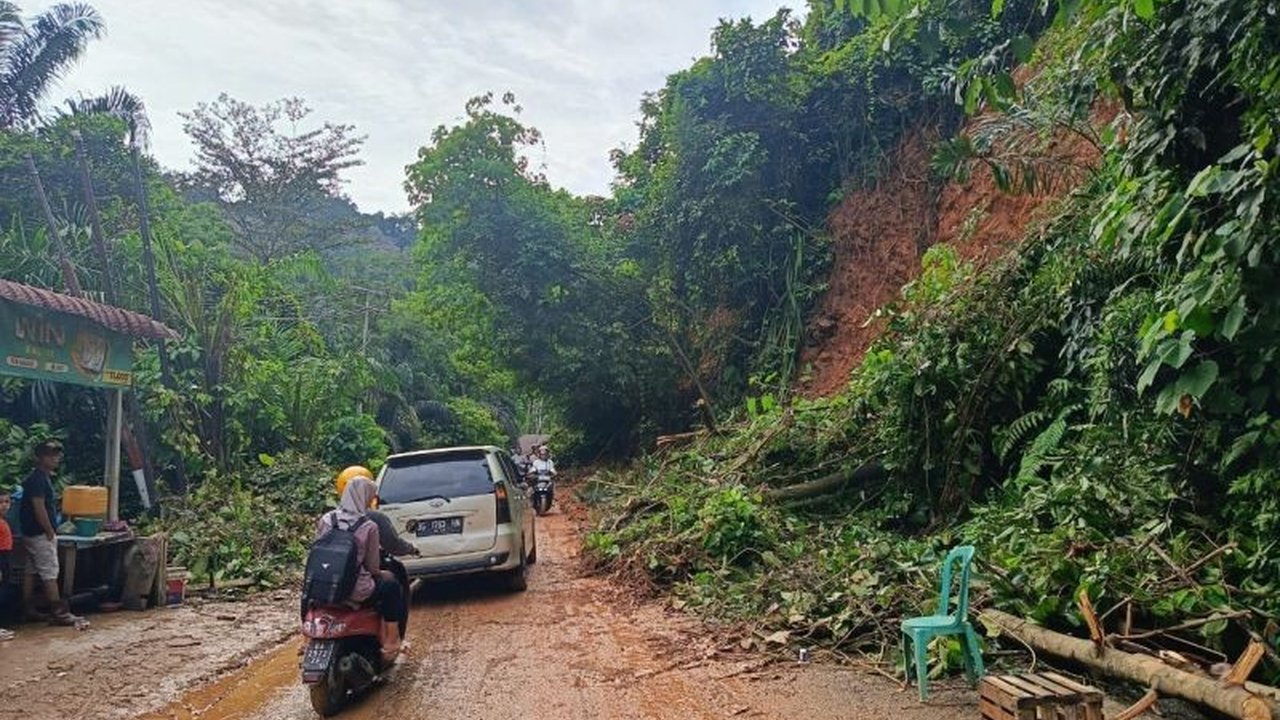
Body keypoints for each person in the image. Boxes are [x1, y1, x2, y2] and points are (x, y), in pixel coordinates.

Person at [315, 474, 406, 663]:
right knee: (391, 586)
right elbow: (373, 567)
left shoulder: (326, 519)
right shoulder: (368, 525)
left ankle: (306, 640)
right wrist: (382, 573)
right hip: (356, 590)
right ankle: (391, 639)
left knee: (307, 593)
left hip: (323, 586)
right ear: (365, 498)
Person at [19, 440, 83, 627]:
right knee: (49, 571)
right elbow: (39, 507)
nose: (55, 459)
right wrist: (49, 530)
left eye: (56, 455)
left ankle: (28, 609)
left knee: (31, 571)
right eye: (50, 455)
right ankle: (60, 613)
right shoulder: (38, 480)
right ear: (40, 457)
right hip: (39, 533)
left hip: (30, 532)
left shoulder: (39, 478)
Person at [0, 488, 14, 641]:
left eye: (7, 502)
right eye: (0, 502)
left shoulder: (3, 521)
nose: (4, 505)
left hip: (5, 557)